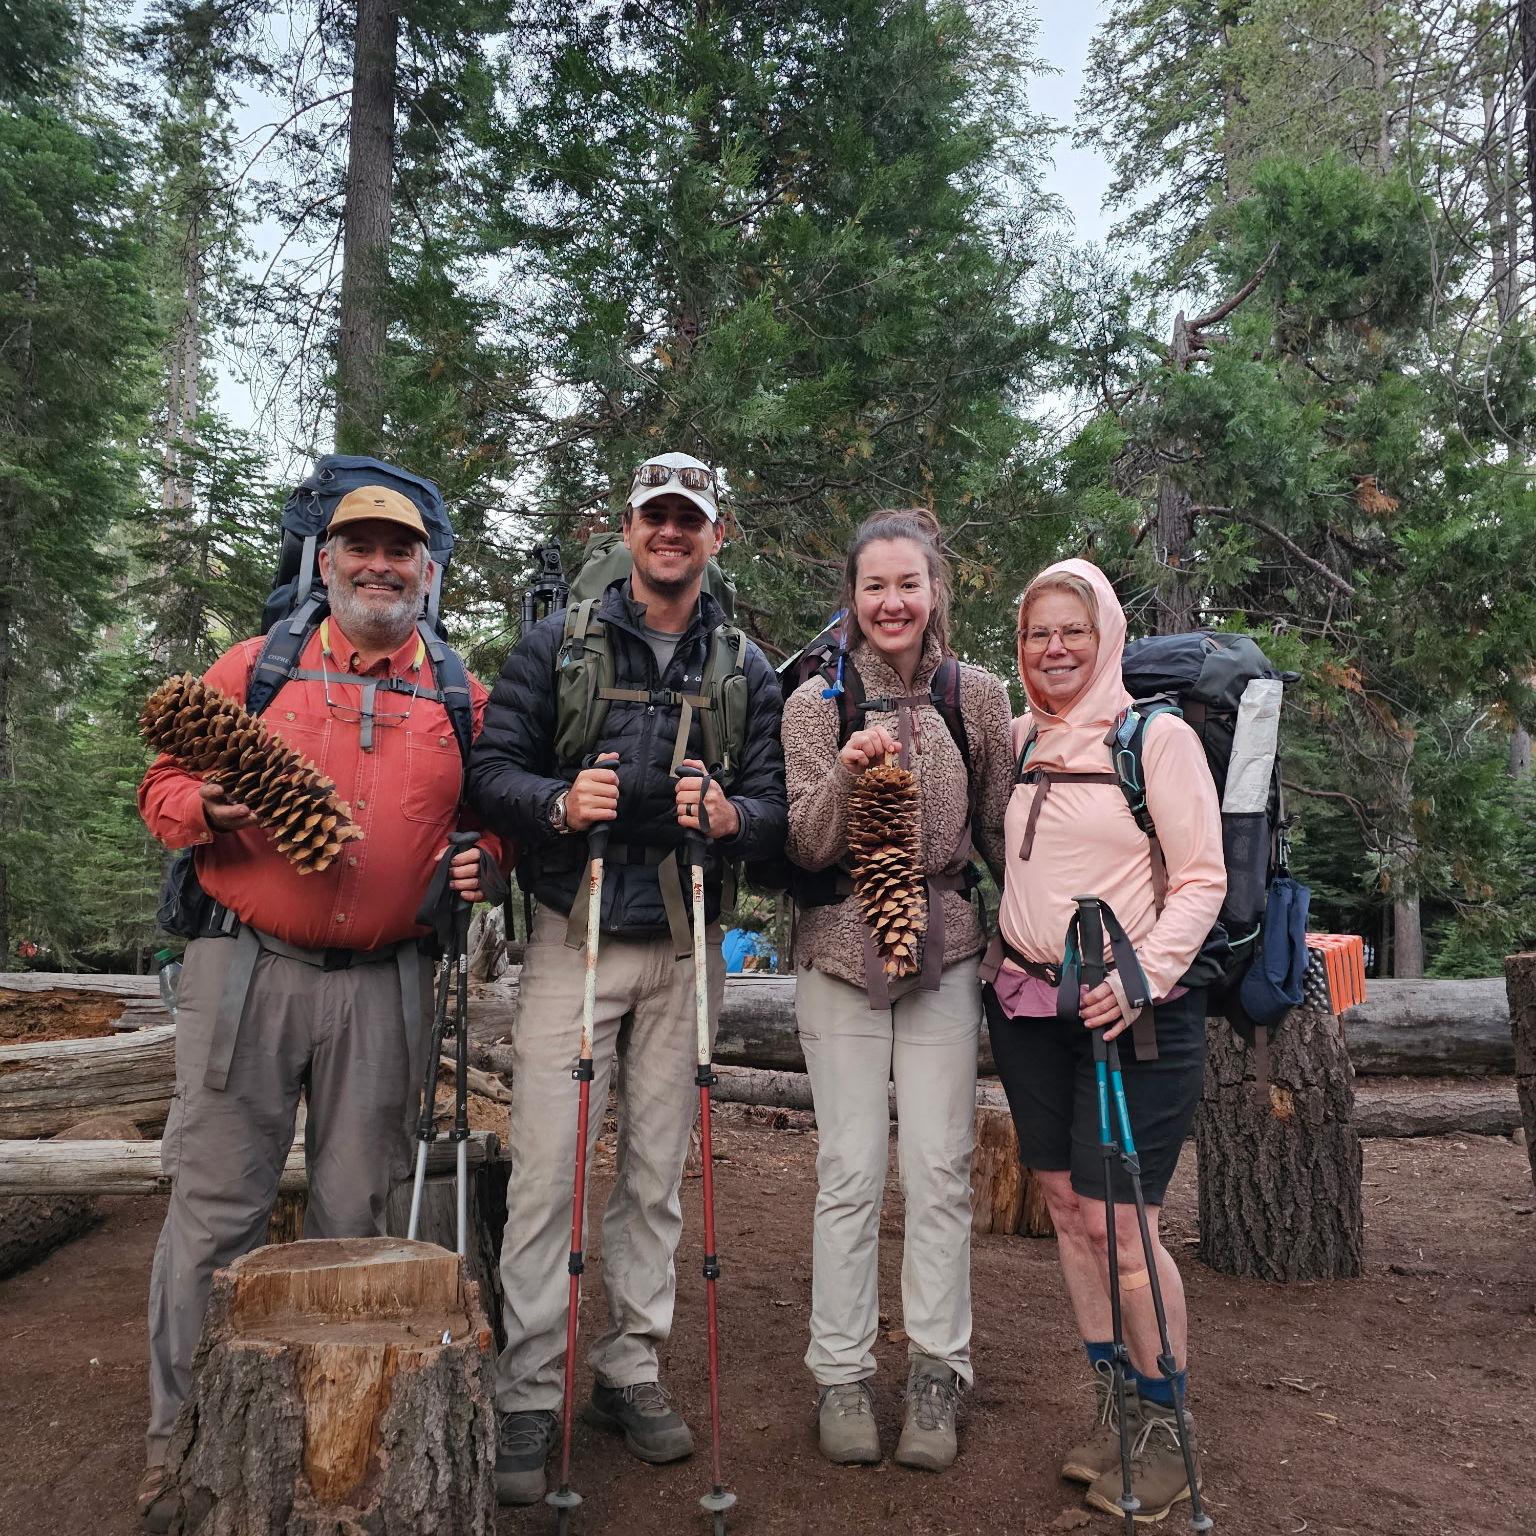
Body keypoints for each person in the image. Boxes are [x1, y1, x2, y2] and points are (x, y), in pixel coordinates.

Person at [135, 485, 506, 1532]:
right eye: (361, 546)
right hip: (245, 970)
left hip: (386, 980)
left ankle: (332, 1456)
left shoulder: (458, 696)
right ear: (326, 560)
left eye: (402, 550)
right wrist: (205, 805)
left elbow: (492, 820)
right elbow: (160, 789)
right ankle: (179, 1449)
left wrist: (487, 858)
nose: (381, 564)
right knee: (215, 1208)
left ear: (428, 570)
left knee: (359, 1218)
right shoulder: (256, 670)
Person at [467, 450, 787, 1506]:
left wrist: (732, 817)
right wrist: (563, 805)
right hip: (577, 932)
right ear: (630, 524)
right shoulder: (556, 645)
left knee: (656, 1176)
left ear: (715, 534)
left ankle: (630, 1369)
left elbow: (777, 812)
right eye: (656, 516)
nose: (671, 534)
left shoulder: (746, 668)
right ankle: (525, 1394)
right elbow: (491, 773)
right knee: (550, 1174)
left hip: (689, 942)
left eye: (689, 519)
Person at [984, 557, 1226, 1523]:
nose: (1054, 649)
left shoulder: (1153, 739)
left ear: (1107, 636)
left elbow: (1201, 879)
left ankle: (1168, 1420)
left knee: (1121, 1217)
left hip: (1136, 1014)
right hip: (1028, 1005)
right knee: (1066, 1207)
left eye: (1072, 631)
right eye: (1039, 633)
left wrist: (1141, 977)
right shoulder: (1018, 741)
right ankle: (1116, 1406)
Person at [780, 508, 1012, 1472]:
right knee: (850, 1171)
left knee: (941, 1170)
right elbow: (804, 843)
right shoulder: (811, 706)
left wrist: (1024, 940)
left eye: (907, 584)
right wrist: (842, 774)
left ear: (935, 594)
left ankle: (936, 1372)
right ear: (853, 597)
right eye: (874, 586)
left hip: (948, 955)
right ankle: (839, 1373)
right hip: (839, 955)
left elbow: (1004, 833)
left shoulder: (981, 699)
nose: (891, 602)